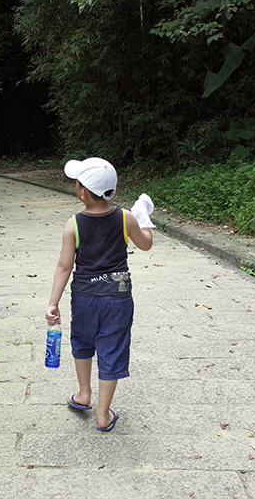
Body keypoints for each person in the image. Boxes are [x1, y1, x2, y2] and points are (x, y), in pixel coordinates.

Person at [45, 157, 155, 432]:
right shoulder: (125, 218)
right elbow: (146, 245)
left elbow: (64, 266)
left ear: (83, 192)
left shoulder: (73, 224)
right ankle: (103, 415)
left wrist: (53, 303)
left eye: (77, 183)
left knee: (82, 343)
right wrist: (142, 216)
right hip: (118, 298)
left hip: (84, 297)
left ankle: (84, 395)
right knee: (112, 350)